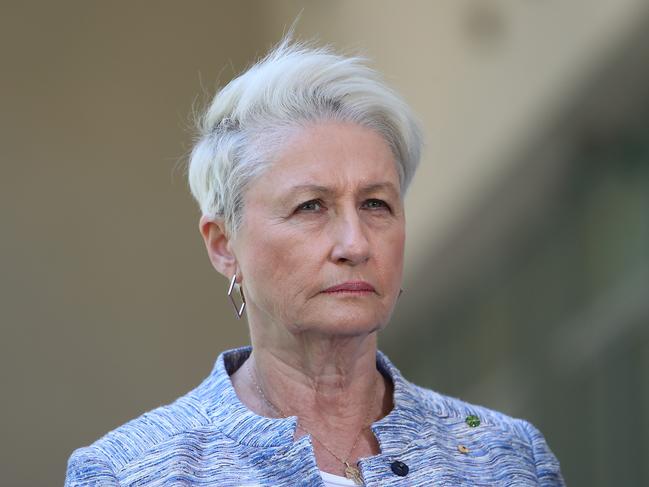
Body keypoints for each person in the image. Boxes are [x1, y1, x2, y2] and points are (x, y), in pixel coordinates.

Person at [65, 37, 565, 486]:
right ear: (223, 244)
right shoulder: (131, 472)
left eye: (376, 205)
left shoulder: (505, 455)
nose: (356, 243)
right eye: (311, 207)